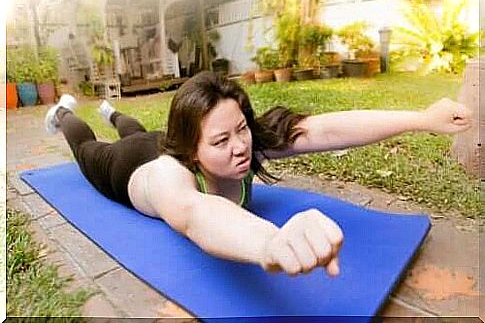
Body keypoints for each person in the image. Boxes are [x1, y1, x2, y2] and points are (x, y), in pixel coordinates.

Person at [45, 71, 471, 278]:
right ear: (192, 149)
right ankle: (63, 112)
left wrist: (421, 118)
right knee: (89, 146)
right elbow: (197, 216)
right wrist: (269, 240)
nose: (240, 147)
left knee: (136, 128)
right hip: (128, 165)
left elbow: (325, 128)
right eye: (221, 142)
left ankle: (113, 110)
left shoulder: (234, 139)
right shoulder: (168, 180)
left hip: (166, 136)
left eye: (241, 129)